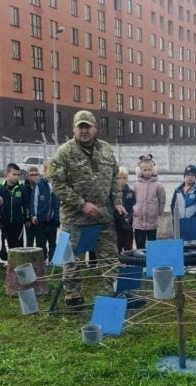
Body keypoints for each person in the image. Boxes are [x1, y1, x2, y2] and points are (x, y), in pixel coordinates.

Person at [47, 110, 125, 308]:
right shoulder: (64, 153)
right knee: (73, 260)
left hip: (103, 216)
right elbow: (57, 184)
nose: (84, 131)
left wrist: (116, 201)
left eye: (87, 126)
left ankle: (114, 292)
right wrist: (82, 205)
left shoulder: (106, 149)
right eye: (80, 127)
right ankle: (73, 296)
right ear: (74, 129)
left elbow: (115, 176)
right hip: (76, 219)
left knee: (110, 257)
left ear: (94, 128)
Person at [24, 165, 60, 260]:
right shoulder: (40, 184)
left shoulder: (59, 185)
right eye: (48, 170)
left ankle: (53, 262)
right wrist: (34, 215)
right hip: (41, 220)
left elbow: (60, 204)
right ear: (44, 171)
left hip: (53, 220)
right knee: (40, 242)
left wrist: (58, 217)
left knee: (53, 242)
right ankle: (42, 261)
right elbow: (34, 201)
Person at [132, 154, 165, 249]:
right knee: (140, 244)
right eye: (144, 170)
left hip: (152, 221)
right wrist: (135, 211)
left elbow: (162, 199)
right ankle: (140, 263)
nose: (147, 172)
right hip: (138, 221)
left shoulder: (158, 185)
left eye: (149, 170)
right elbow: (133, 200)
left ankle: (151, 262)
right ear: (139, 171)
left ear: (154, 170)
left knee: (152, 245)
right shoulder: (136, 185)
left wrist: (159, 211)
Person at [0, 163, 28, 253]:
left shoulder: (22, 188)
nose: (16, 177)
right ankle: (12, 265)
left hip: (18, 222)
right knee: (9, 246)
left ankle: (20, 265)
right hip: (5, 223)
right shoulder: (1, 188)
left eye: (18, 175)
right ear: (7, 174)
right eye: (14, 174)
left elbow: (26, 204)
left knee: (19, 246)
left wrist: (27, 218)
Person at [171, 164, 196, 238]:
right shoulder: (178, 190)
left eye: (192, 175)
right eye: (188, 175)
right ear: (184, 176)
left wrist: (195, 217)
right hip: (179, 222)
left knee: (194, 245)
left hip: (193, 222)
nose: (190, 177)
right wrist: (175, 218)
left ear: (195, 177)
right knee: (180, 244)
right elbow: (173, 205)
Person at [115, 166, 136, 253]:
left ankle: (129, 264)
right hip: (116, 225)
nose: (122, 180)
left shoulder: (130, 192)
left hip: (128, 224)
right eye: (119, 178)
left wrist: (129, 217)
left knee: (128, 246)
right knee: (117, 246)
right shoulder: (114, 193)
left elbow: (134, 207)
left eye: (124, 178)